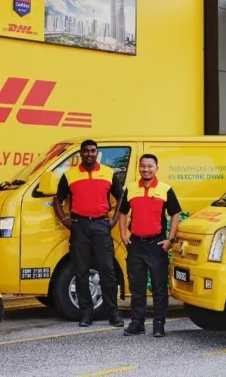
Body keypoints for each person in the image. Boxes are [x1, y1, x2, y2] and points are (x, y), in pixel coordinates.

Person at [52, 139, 125, 328]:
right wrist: (64, 220)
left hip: (101, 225)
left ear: (96, 153)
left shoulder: (108, 173)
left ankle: (113, 313)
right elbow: (57, 199)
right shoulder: (70, 175)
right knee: (81, 271)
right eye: (86, 151)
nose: (89, 154)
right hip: (79, 226)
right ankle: (86, 314)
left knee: (107, 271)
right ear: (81, 154)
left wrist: (114, 219)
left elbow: (120, 197)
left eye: (93, 151)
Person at [118, 154, 182, 338]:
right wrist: (123, 235)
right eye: (143, 166)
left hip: (157, 244)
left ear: (156, 168)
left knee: (159, 286)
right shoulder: (131, 188)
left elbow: (175, 213)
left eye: (150, 166)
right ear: (139, 168)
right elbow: (122, 213)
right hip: (136, 244)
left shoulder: (165, 189)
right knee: (136, 286)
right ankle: (137, 323)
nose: (146, 169)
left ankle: (159, 324)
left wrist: (170, 239)